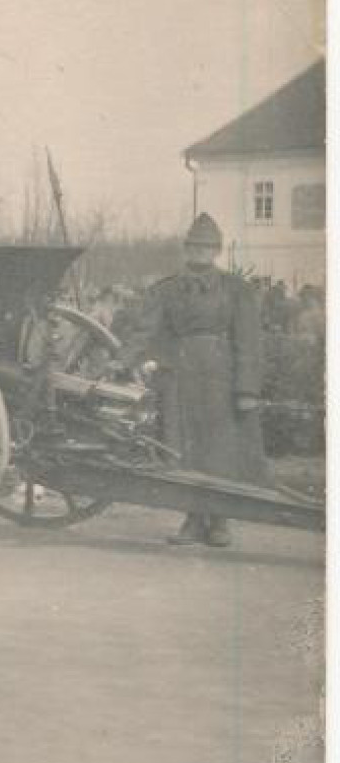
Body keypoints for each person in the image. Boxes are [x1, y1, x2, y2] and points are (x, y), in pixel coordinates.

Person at [119, 213, 269, 547]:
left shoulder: (236, 290)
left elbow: (248, 342)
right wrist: (120, 362)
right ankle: (191, 519)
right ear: (186, 249)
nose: (200, 252)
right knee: (182, 447)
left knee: (219, 450)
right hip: (179, 378)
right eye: (194, 246)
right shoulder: (167, 290)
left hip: (221, 379)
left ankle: (219, 522)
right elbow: (145, 330)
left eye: (207, 247)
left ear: (216, 251)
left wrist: (247, 389)